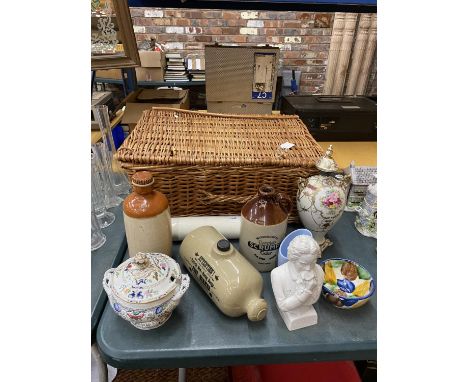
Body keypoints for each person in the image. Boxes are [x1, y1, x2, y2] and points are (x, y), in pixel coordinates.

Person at [271, 235, 324, 331]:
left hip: (308, 311)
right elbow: (283, 305)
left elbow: (314, 299)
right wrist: (307, 291)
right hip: (290, 312)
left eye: (313, 262)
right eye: (303, 263)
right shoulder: (278, 274)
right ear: (292, 259)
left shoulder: (319, 271)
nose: (308, 268)